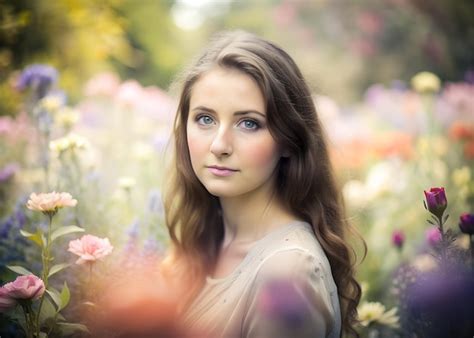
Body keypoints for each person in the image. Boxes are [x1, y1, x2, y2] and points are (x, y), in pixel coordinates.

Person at [162, 30, 364, 338]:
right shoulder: (209, 239)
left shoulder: (288, 273)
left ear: (288, 140)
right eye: (205, 119)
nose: (219, 145)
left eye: (249, 123)